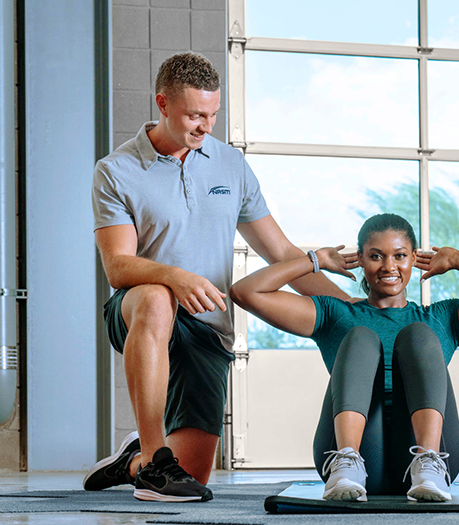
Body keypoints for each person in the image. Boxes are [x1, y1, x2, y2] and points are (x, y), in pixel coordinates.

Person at [84, 52, 349, 502]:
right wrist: (175, 278)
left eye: (212, 114)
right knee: (156, 296)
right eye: (194, 115)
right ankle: (153, 459)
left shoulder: (230, 164)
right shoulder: (116, 171)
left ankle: (137, 460)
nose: (206, 126)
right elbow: (118, 267)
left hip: (208, 323)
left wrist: (354, 311)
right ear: (162, 103)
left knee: (192, 477)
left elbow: (282, 253)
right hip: (137, 310)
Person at [230, 213, 459, 502]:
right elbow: (246, 292)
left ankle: (428, 462)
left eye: (400, 255)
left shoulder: (441, 317)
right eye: (376, 256)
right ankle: (347, 461)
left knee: (418, 335)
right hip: (359, 456)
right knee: (360, 338)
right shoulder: (335, 314)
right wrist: (316, 260)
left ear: (414, 259)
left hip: (430, 458)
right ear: (360, 261)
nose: (388, 266)